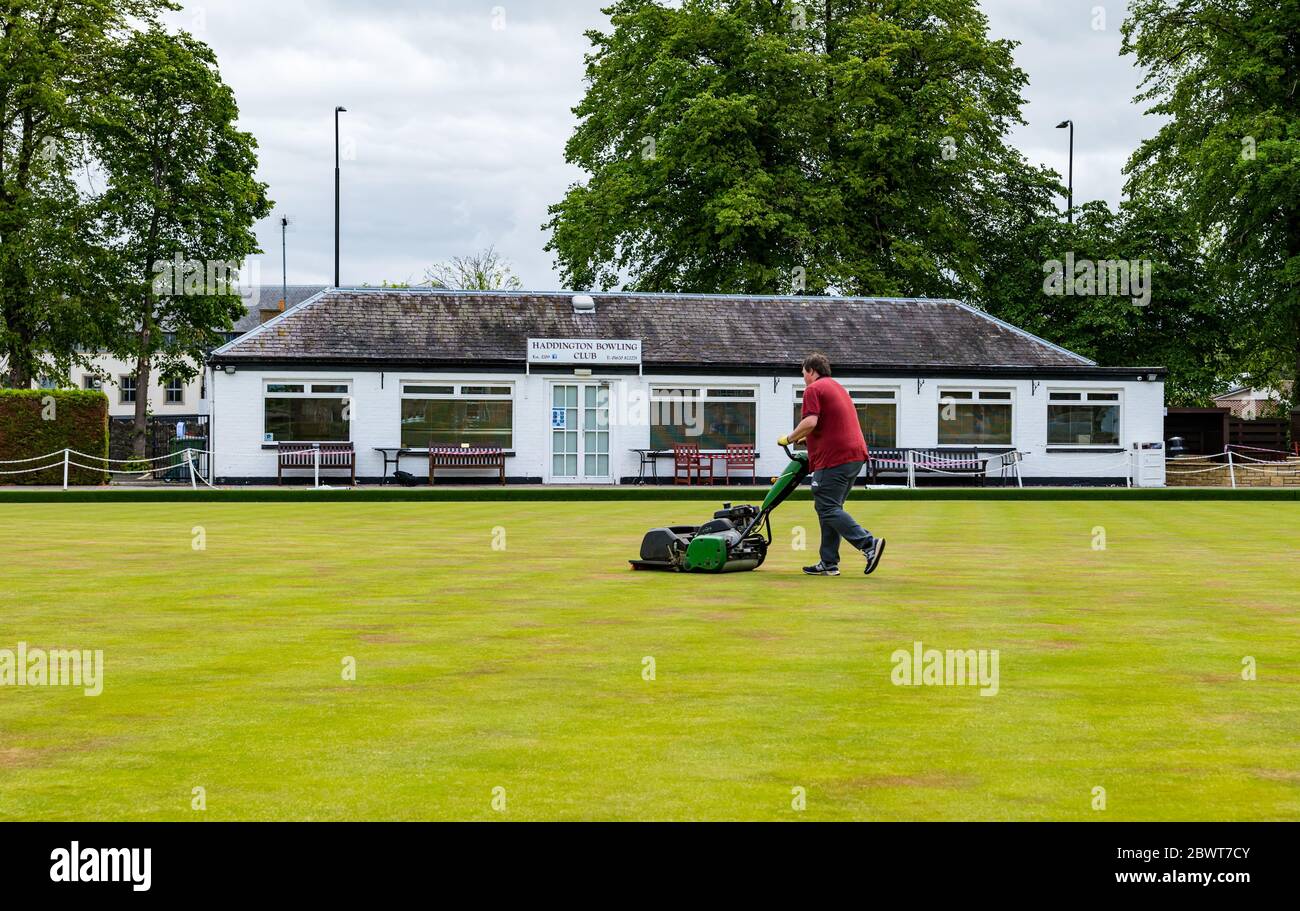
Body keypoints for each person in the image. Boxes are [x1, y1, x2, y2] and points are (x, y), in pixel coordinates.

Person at [778, 353, 886, 576]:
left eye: (803, 373)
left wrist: (789, 438)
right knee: (829, 508)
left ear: (811, 371)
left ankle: (868, 544)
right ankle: (828, 563)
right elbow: (830, 424)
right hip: (854, 457)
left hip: (834, 459)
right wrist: (805, 438)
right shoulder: (837, 388)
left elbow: (810, 421)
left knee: (827, 507)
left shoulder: (813, 389)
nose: (803, 378)